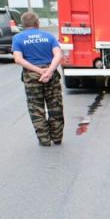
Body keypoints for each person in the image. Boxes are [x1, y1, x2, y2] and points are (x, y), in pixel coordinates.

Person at [12, 12, 65, 146]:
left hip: (31, 77)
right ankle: (57, 137)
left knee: (36, 108)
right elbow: (58, 55)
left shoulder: (18, 38)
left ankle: (44, 140)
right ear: (38, 23)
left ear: (23, 25)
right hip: (51, 75)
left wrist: (38, 70)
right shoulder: (48, 36)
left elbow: (18, 59)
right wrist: (49, 71)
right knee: (55, 106)